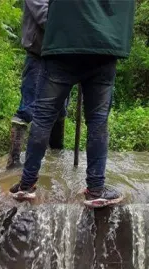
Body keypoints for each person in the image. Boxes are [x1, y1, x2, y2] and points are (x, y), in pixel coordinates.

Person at [9, 0, 135, 208]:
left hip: (62, 49)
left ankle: (27, 184)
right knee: (97, 121)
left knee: (42, 118)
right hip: (103, 49)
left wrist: (67, 29)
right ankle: (95, 190)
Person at [6, 0, 68, 169]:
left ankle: (56, 157)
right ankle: (13, 160)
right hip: (38, 54)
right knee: (28, 108)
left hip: (61, 56)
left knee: (60, 109)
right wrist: (73, 31)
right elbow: (44, 17)